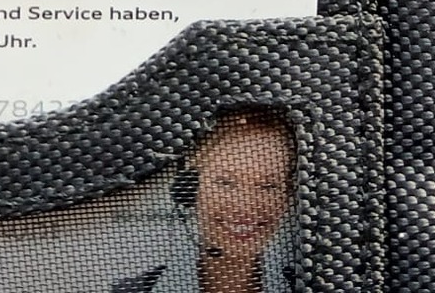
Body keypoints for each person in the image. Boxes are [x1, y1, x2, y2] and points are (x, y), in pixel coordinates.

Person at [111, 109, 297, 293]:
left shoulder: (308, 284)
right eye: (225, 182)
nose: (245, 205)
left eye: (268, 186)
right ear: (190, 188)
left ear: (287, 196)